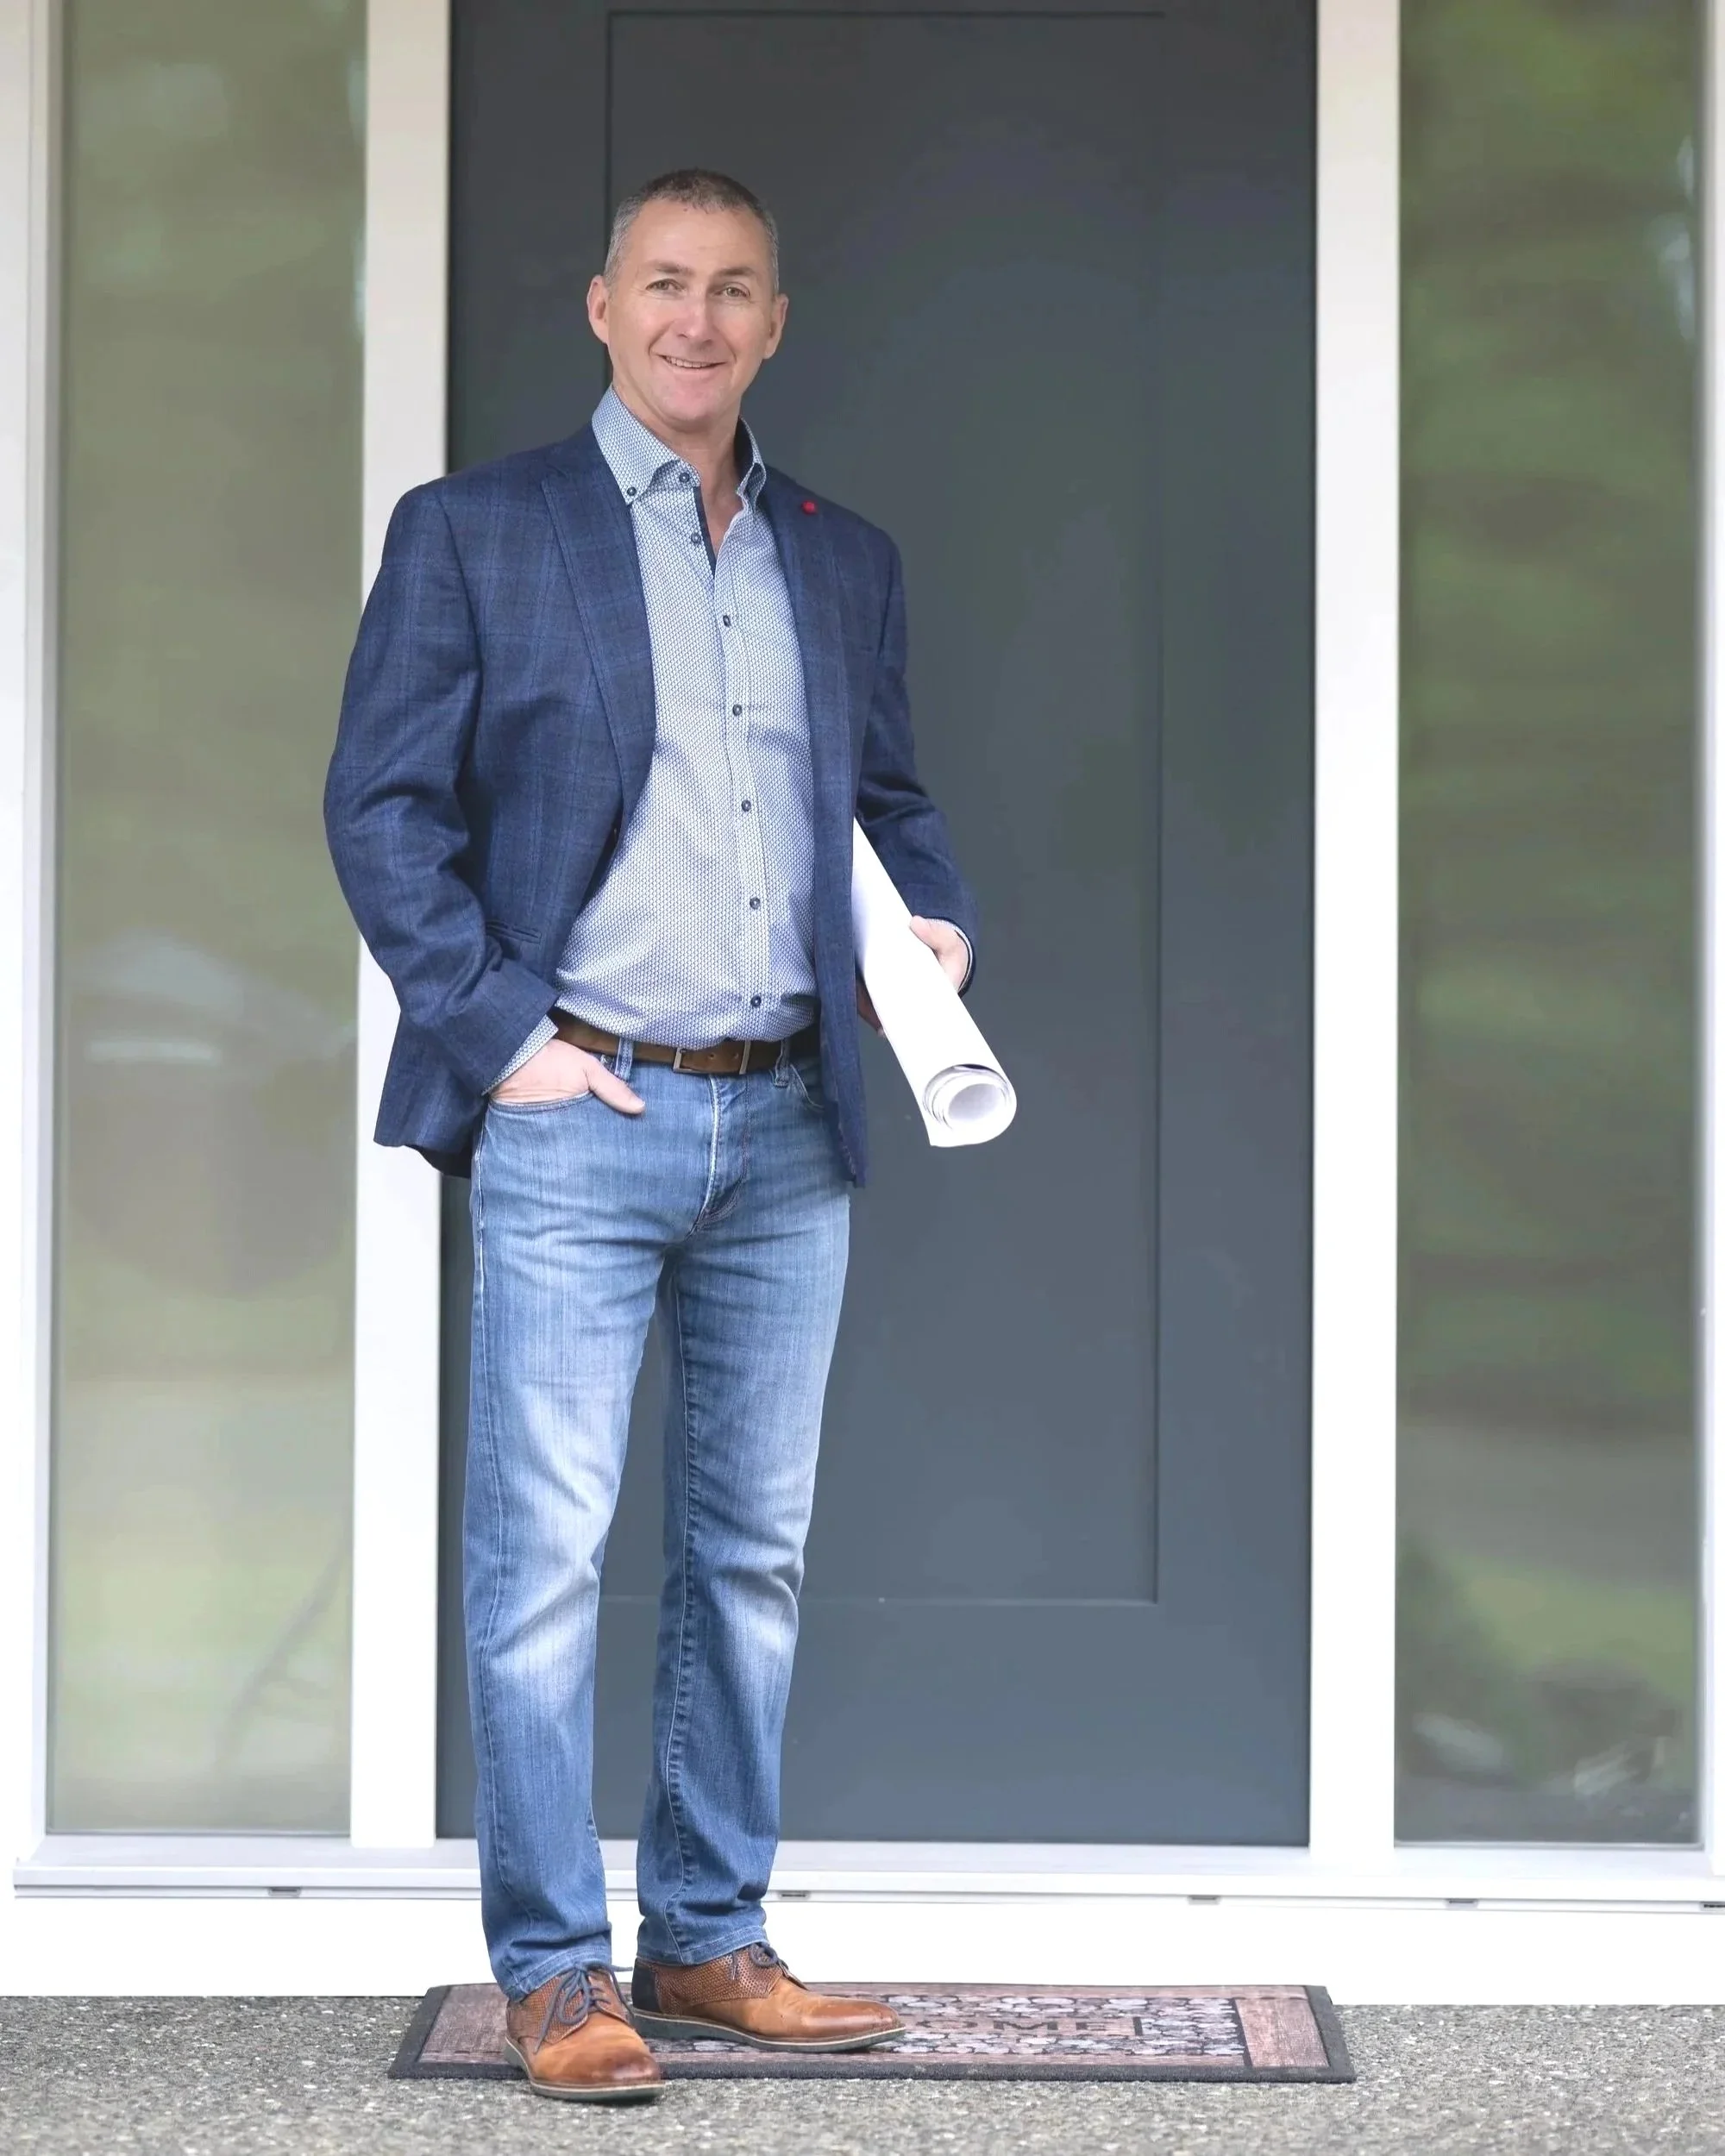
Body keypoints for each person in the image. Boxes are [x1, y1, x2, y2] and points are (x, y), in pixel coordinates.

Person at [324, 167, 976, 2103]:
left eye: (737, 291)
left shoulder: (841, 558)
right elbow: (381, 810)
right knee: (539, 1563)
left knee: (747, 1556)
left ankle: (704, 1936)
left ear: (777, 325)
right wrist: (505, 1036)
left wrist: (931, 922)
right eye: (666, 284)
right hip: (579, 1111)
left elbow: (900, 804)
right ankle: (555, 1970)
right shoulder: (476, 532)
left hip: (787, 1122)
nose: (699, 320)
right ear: (602, 307)